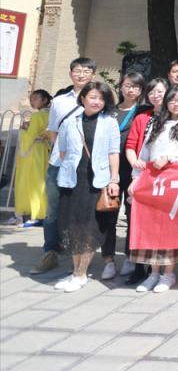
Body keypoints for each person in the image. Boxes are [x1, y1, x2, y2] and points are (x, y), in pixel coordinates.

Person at [131, 85, 178, 293]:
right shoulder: (156, 122)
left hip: (176, 180)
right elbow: (145, 153)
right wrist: (136, 178)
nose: (176, 104)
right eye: (172, 100)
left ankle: (168, 273)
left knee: (170, 227)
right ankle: (153, 273)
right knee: (152, 227)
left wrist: (169, 157)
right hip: (153, 179)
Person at [52, 82, 121, 293]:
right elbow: (62, 150)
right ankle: (75, 271)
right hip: (72, 180)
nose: (97, 102)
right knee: (73, 226)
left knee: (89, 227)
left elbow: (113, 152)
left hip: (96, 182)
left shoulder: (109, 122)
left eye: (101, 98)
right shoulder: (69, 121)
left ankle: (81, 274)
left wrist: (114, 179)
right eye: (92, 97)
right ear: (82, 98)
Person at [32, 56, 95, 276]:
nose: (81, 74)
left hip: (85, 165)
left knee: (80, 211)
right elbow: (53, 131)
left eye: (86, 71)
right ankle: (50, 252)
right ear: (70, 74)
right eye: (77, 70)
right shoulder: (59, 101)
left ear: (92, 74)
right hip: (59, 163)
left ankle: (78, 256)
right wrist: (58, 151)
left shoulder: (97, 99)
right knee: (53, 209)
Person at [122, 77, 168, 284]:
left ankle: (159, 267)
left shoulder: (174, 117)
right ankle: (139, 266)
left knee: (160, 223)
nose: (155, 95)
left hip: (165, 177)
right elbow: (131, 145)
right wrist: (135, 163)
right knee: (138, 221)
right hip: (142, 175)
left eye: (160, 91)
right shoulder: (142, 117)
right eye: (151, 92)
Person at [101, 73, 143, 279]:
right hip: (110, 172)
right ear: (120, 87)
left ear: (141, 90)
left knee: (133, 214)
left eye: (135, 86)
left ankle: (129, 256)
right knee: (108, 214)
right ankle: (108, 259)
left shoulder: (143, 111)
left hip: (133, 171)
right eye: (127, 85)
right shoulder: (110, 111)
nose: (131, 90)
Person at [14, 89, 51, 227]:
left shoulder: (36, 116)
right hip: (44, 150)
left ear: (45, 100)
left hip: (33, 151)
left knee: (32, 183)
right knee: (41, 181)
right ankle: (41, 213)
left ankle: (35, 214)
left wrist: (23, 129)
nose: (32, 101)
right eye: (31, 99)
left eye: (35, 98)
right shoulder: (51, 115)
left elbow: (31, 135)